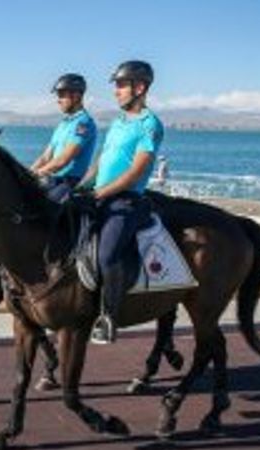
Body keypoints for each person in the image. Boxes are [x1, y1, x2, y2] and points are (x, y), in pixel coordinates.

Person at [76, 60, 164, 344]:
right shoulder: (118, 122)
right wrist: (82, 186)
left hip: (125, 202)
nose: (116, 92)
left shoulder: (150, 125)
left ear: (140, 87)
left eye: (121, 85)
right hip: (100, 195)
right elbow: (103, 159)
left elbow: (136, 171)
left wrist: (101, 193)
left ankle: (109, 317)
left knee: (107, 255)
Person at [30, 73, 97, 203]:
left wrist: (38, 173)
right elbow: (46, 157)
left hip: (70, 182)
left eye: (61, 95)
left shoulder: (84, 123)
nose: (58, 100)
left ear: (76, 96)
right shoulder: (63, 124)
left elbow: (64, 159)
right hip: (53, 179)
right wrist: (27, 173)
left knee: (45, 207)